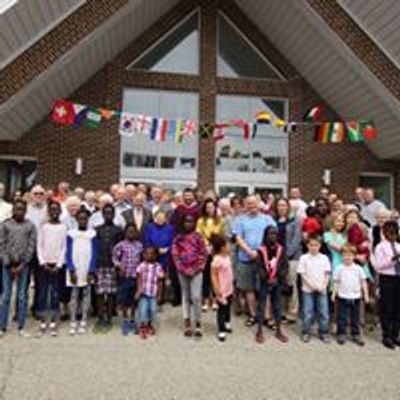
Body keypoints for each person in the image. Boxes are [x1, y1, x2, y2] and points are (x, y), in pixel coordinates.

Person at [234, 195, 276, 327]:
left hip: (263, 259)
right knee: (249, 289)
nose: (251, 206)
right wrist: (249, 252)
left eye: (254, 203)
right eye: (249, 204)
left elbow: (273, 236)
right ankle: (253, 315)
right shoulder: (240, 220)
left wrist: (261, 252)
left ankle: (267, 316)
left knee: (265, 288)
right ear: (245, 205)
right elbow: (238, 238)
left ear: (259, 204)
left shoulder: (267, 219)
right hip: (245, 258)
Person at [0, 200, 36, 337]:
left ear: (25, 211)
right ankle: (2, 327)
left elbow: (31, 246)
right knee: (6, 296)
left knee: (21, 296)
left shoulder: (30, 226)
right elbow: (1, 244)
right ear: (13, 210)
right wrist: (8, 263)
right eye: (16, 209)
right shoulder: (5, 225)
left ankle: (21, 327)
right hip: (7, 265)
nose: (19, 212)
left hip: (23, 266)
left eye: (22, 209)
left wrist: (23, 264)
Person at [172, 215, 207, 338]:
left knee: (196, 296)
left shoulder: (198, 237)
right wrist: (183, 269)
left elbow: (203, 254)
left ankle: (198, 323)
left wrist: (195, 268)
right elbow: (175, 256)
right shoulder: (178, 238)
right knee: (186, 296)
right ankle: (187, 322)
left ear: (194, 223)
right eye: (186, 221)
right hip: (182, 271)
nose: (188, 224)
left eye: (191, 222)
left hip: (196, 271)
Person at [36, 201, 67, 337]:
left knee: (55, 293)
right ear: (49, 212)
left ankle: (54, 320)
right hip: (44, 266)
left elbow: (63, 247)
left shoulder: (63, 227)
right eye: (52, 210)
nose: (54, 212)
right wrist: (43, 263)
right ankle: (43, 319)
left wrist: (59, 264)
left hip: (57, 266)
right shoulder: (43, 227)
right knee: (43, 293)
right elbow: (39, 246)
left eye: (57, 210)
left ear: (60, 211)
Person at [66, 209, 97, 336]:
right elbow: (68, 253)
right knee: (74, 295)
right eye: (80, 218)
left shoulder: (92, 234)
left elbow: (94, 253)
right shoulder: (71, 233)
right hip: (75, 268)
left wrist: (91, 270)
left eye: (85, 219)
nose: (83, 221)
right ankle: (73, 319)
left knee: (86, 294)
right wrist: (71, 269)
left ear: (88, 220)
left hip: (86, 268)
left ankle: (84, 318)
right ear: (76, 219)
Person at [255, 226, 289, 344]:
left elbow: (285, 265)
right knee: (261, 305)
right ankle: (259, 330)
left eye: (275, 234)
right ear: (265, 235)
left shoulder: (281, 249)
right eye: (270, 234)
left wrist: (278, 277)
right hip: (264, 281)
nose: (272, 236)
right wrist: (266, 277)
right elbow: (258, 266)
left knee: (277, 306)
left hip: (277, 281)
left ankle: (279, 330)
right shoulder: (261, 250)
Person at [332, 244, 369, 346]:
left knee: (355, 317)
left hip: (356, 297)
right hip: (342, 297)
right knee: (341, 317)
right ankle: (341, 333)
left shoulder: (358, 269)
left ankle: (356, 334)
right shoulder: (339, 268)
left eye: (350, 255)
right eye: (345, 255)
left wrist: (365, 294)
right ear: (342, 256)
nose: (347, 257)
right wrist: (334, 293)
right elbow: (336, 282)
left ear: (354, 256)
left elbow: (363, 282)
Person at [94, 204, 123, 333]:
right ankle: (100, 316)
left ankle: (109, 316)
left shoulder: (118, 230)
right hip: (100, 264)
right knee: (100, 292)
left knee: (111, 292)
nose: (108, 215)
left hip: (112, 264)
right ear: (102, 214)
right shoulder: (97, 229)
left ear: (114, 214)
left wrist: (119, 264)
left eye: (110, 213)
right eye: (105, 213)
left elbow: (121, 248)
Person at [298, 235, 331, 343]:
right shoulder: (304, 258)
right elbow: (302, 274)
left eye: (316, 245)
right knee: (308, 312)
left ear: (320, 246)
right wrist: (312, 286)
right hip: (308, 289)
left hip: (322, 289)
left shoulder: (324, 258)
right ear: (307, 246)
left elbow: (327, 274)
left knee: (324, 312)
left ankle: (324, 332)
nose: (313, 247)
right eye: (311, 245)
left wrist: (323, 286)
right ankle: (306, 332)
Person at [274, 198, 302, 323]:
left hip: (292, 258)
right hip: (277, 258)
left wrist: (287, 254)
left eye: (284, 205)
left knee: (291, 285)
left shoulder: (295, 221)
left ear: (288, 207)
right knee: (281, 285)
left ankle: (292, 313)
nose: (282, 208)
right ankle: (281, 311)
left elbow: (297, 239)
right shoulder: (274, 221)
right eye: (279, 205)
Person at [113, 224, 143, 336]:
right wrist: (119, 266)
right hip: (125, 277)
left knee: (134, 299)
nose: (131, 234)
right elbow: (115, 257)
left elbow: (142, 259)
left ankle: (132, 318)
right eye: (129, 231)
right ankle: (125, 320)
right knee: (125, 300)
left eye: (133, 232)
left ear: (136, 233)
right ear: (125, 233)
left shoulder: (139, 245)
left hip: (136, 276)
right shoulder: (120, 245)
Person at [374, 221, 400, 349]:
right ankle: (387, 335)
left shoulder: (398, 246)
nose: (393, 237)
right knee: (387, 308)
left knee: (397, 308)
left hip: (398, 278)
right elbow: (378, 266)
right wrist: (392, 260)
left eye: (395, 234)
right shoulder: (380, 247)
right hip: (387, 278)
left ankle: (396, 335)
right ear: (384, 234)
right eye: (390, 234)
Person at [196, 198, 225, 312]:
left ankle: (215, 300)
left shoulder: (220, 220)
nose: (209, 209)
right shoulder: (200, 220)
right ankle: (206, 300)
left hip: (216, 251)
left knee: (216, 276)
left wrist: (214, 245)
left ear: (215, 208)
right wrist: (206, 245)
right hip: (204, 251)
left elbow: (221, 236)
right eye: (207, 207)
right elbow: (198, 236)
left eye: (211, 207)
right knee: (206, 276)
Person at [143, 211, 174, 304]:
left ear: (165, 219)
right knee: (151, 277)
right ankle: (150, 295)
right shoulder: (150, 227)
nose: (160, 220)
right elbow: (146, 240)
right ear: (155, 218)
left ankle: (161, 296)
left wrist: (167, 248)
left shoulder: (170, 228)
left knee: (162, 277)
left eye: (162, 218)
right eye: (158, 218)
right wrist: (156, 249)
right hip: (152, 255)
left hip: (165, 256)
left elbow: (173, 241)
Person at [136, 247, 164, 339]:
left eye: (152, 254)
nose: (149, 256)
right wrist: (139, 290)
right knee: (143, 309)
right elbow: (139, 278)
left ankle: (149, 324)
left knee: (153, 310)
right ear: (143, 255)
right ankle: (142, 326)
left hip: (153, 293)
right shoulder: (141, 265)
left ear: (156, 255)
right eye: (147, 254)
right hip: (143, 292)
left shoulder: (158, 266)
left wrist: (159, 294)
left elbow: (160, 281)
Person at [210, 235, 234, 342]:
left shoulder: (227, 257)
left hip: (229, 288)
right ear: (222, 247)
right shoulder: (217, 260)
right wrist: (216, 288)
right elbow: (213, 275)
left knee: (228, 307)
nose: (229, 246)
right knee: (222, 310)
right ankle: (221, 330)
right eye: (227, 245)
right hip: (221, 289)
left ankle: (227, 323)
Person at [323, 214, 347, 288]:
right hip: (335, 262)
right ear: (332, 222)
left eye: (343, 221)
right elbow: (339, 248)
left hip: (346, 261)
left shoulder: (343, 235)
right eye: (338, 221)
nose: (341, 223)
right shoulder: (327, 234)